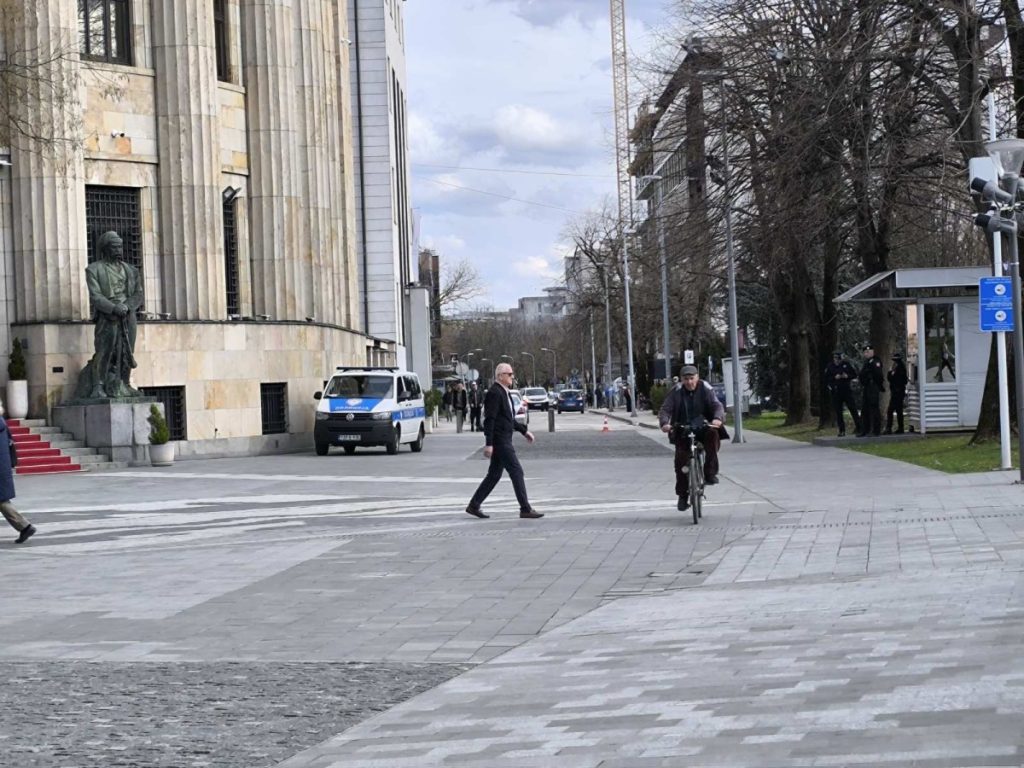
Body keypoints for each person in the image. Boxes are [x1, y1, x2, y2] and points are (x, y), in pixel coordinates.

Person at [466, 362, 543, 520]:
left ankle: (474, 505)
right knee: (516, 471)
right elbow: (490, 420)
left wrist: (524, 431)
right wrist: (489, 444)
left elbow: (508, 419)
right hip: (500, 441)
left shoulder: (504, 392)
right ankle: (525, 508)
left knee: (494, 475)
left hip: (504, 438)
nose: (512, 377)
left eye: (512, 374)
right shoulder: (495, 393)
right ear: (500, 376)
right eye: (509, 374)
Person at [74, 231, 144, 399]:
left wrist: (126, 306)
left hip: (128, 316)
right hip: (107, 317)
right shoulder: (94, 269)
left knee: (128, 351)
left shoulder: (131, 270)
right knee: (104, 351)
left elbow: (138, 294)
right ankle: (98, 386)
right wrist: (113, 308)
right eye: (115, 247)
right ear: (106, 249)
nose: (119, 249)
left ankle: (125, 384)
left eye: (120, 246)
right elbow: (96, 296)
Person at [658, 365, 725, 512]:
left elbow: (717, 405)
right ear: (681, 380)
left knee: (713, 437)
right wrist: (664, 423)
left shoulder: (705, 388)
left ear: (697, 377)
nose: (689, 382)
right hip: (683, 429)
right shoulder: (676, 391)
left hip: (703, 426)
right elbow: (665, 409)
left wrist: (717, 418)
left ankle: (710, 473)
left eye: (692, 378)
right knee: (680, 461)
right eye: (686, 379)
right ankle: (683, 496)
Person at [0, 409, 35, 544]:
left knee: (2, 501)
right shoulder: (2, 422)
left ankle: (25, 526)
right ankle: (25, 527)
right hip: (3, 466)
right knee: (2, 501)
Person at [824, 351, 861, 437]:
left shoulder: (846, 364)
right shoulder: (830, 366)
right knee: (838, 412)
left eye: (839, 359)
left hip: (846, 390)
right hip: (836, 391)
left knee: (853, 409)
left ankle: (859, 427)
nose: (837, 361)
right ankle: (842, 430)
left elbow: (854, 374)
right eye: (835, 358)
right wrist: (834, 378)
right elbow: (826, 378)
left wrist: (847, 376)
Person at [857, 343, 885, 437]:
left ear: (872, 352)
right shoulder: (867, 362)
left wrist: (877, 384)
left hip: (873, 386)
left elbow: (879, 375)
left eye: (868, 352)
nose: (866, 353)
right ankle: (865, 429)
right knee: (865, 409)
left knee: (874, 408)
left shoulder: (875, 361)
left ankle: (876, 430)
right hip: (867, 387)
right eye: (865, 352)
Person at [885, 352, 908, 434]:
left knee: (890, 410)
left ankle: (889, 428)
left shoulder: (900, 368)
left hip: (897, 392)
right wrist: (890, 372)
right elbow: (889, 378)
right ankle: (900, 428)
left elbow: (901, 380)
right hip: (896, 391)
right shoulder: (895, 367)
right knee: (898, 410)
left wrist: (891, 373)